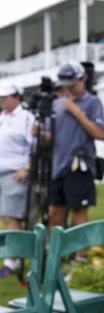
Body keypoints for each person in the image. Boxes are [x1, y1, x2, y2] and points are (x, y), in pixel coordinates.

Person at [48, 61, 103, 261]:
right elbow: (50, 135)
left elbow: (99, 133)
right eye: (65, 83)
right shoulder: (57, 103)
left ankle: (80, 258)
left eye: (72, 83)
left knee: (79, 213)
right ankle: (59, 256)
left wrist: (77, 113)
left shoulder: (93, 102)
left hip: (79, 165)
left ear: (83, 79)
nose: (68, 87)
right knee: (55, 213)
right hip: (57, 166)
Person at [0, 84, 35, 278]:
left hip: (14, 174)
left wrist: (27, 168)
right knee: (6, 218)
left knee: (12, 219)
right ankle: (14, 259)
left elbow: (34, 146)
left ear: (17, 97)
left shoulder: (27, 118)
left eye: (5, 97)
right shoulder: (1, 118)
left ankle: (14, 261)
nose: (1, 100)